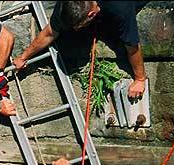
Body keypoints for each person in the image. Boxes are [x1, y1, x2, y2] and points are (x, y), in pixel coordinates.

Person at [13, 1, 149, 99]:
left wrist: (140, 79)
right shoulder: (68, 4)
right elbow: (50, 32)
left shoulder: (120, 9)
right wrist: (24, 57)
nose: (76, 30)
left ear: (91, 14)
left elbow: (133, 48)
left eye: (78, 26)